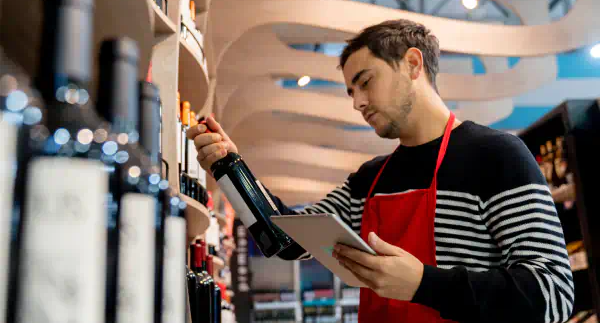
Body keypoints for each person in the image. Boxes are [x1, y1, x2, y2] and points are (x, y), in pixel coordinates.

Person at [187, 19, 574, 323]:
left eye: (365, 82)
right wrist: (228, 166)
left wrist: (424, 285)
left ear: (412, 64)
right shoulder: (369, 181)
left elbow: (554, 293)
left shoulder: (496, 156)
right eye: (350, 92)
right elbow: (286, 239)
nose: (357, 102)